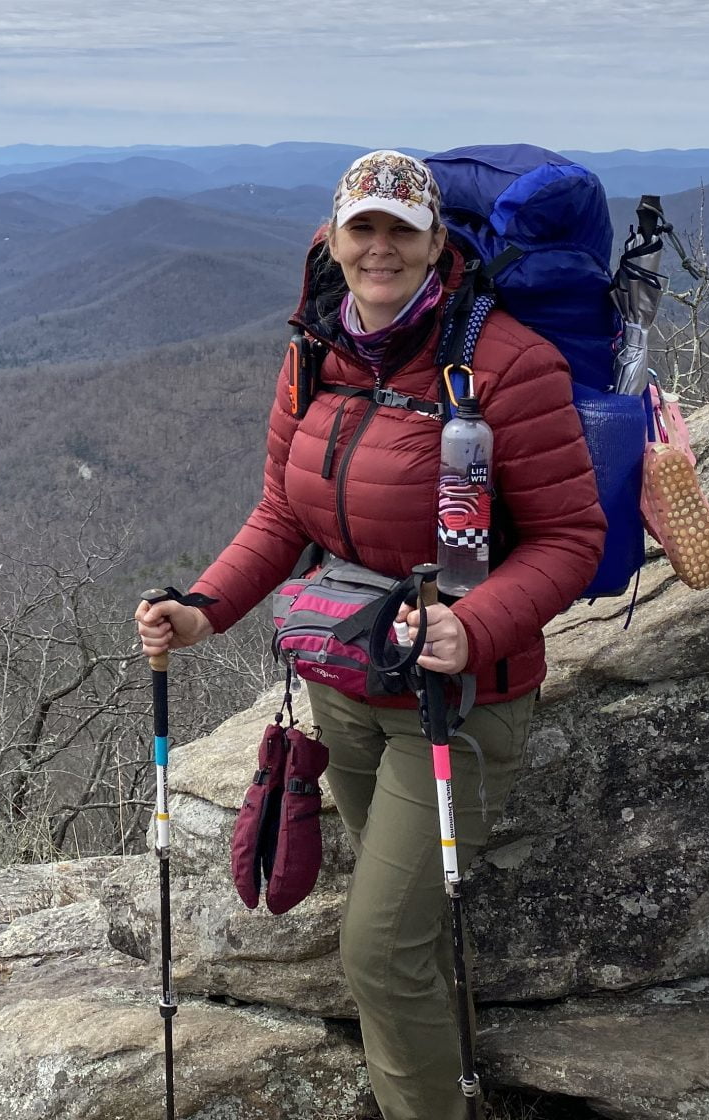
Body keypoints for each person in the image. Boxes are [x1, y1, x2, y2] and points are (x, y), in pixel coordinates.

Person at [135, 148, 605, 1120]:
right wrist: (203, 609)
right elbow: (282, 513)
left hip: (456, 704)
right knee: (405, 940)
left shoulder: (509, 364)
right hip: (344, 687)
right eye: (363, 228)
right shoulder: (314, 351)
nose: (380, 247)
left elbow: (570, 538)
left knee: (380, 950)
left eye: (402, 228)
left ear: (436, 243)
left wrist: (473, 625)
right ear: (334, 238)